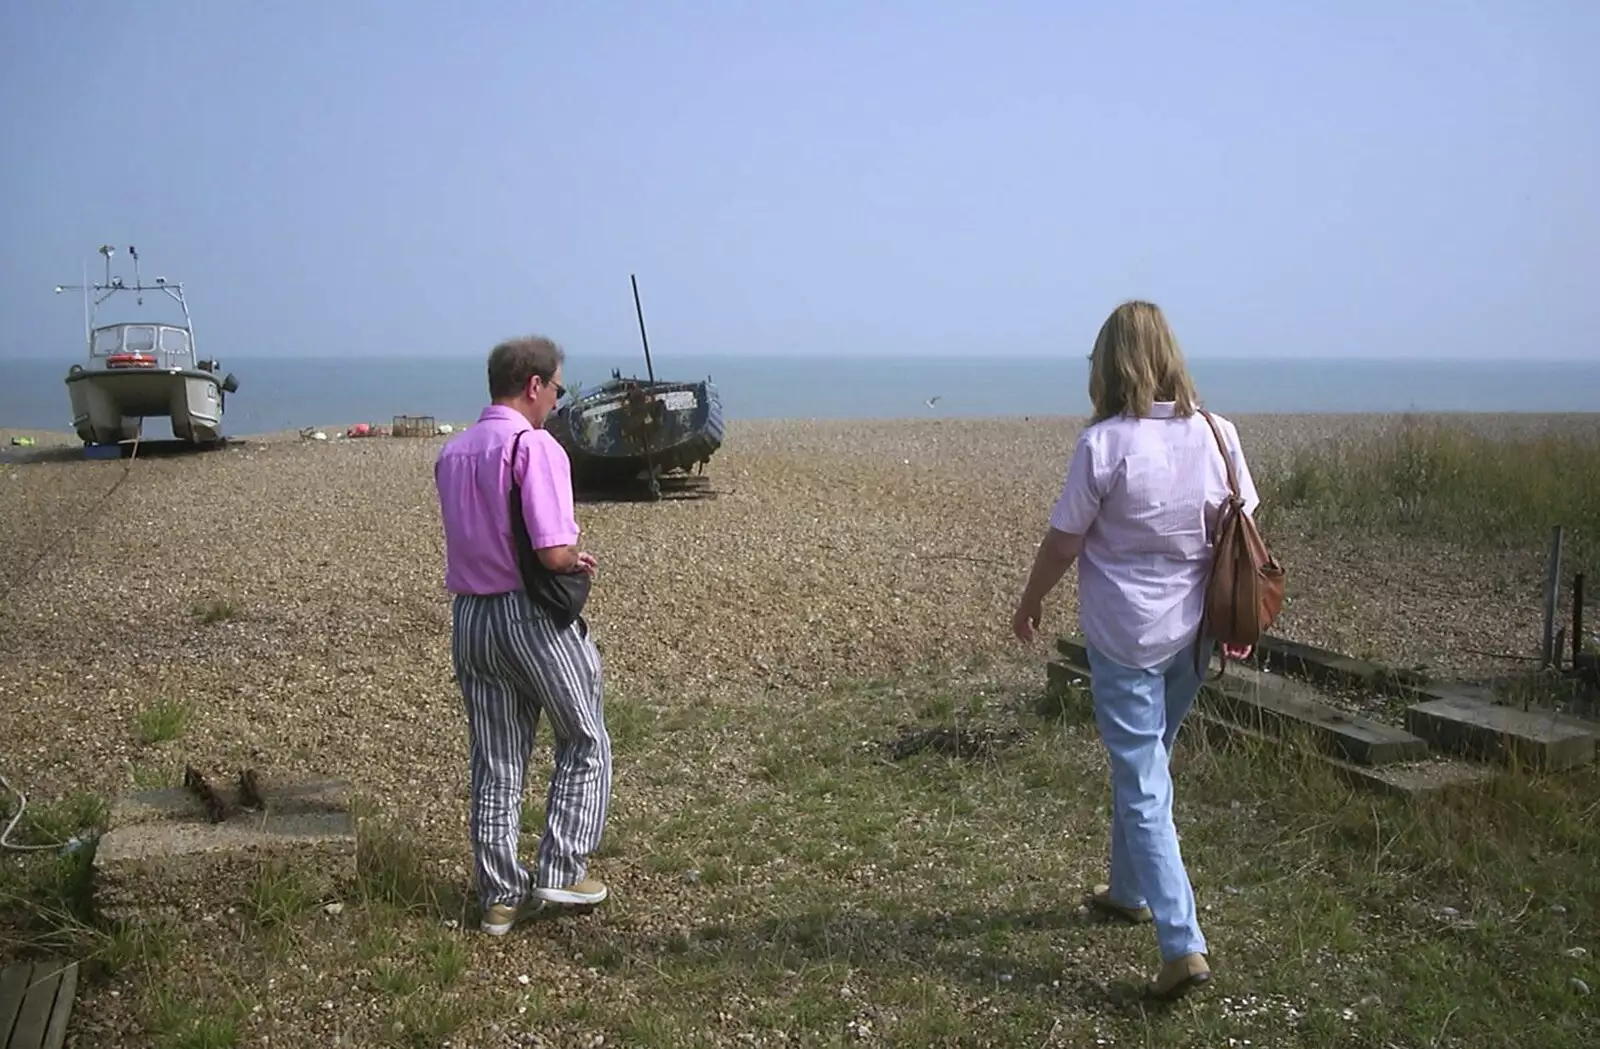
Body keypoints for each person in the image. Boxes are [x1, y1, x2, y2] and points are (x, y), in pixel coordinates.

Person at [1010, 300, 1259, 1001]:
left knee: (1144, 780)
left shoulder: (1105, 444)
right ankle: (1127, 890)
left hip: (1125, 638)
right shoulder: (1218, 433)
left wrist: (1030, 599)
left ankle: (1183, 945)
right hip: (1195, 634)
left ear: (1108, 365)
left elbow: (1064, 539)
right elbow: (1238, 530)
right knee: (1147, 766)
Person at [434, 334, 612, 936]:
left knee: (497, 758)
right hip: (527, 616)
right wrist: (575, 560)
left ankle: (500, 897)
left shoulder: (453, 453)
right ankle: (561, 868)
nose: (556, 402)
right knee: (583, 737)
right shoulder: (535, 447)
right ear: (533, 384)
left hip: (470, 619)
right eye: (557, 389)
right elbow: (553, 548)